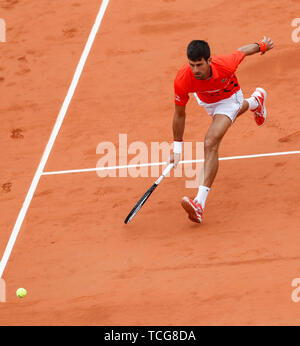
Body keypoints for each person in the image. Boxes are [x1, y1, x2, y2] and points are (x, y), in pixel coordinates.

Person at [169, 37, 274, 223]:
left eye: (199, 65)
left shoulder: (225, 64)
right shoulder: (183, 79)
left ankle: (199, 204)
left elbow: (242, 51)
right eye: (192, 65)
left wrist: (262, 46)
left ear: (209, 61)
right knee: (222, 119)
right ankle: (256, 102)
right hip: (207, 100)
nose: (195, 70)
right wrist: (177, 148)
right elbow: (179, 114)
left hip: (229, 98)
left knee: (211, 141)